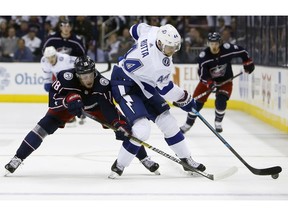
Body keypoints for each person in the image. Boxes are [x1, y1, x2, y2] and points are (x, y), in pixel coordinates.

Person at [4, 56, 160, 176]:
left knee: (126, 129)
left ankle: (144, 158)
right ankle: (18, 158)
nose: (88, 79)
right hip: (67, 105)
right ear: (77, 75)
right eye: (84, 76)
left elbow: (108, 108)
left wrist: (117, 124)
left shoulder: (103, 84)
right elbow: (52, 101)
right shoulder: (65, 78)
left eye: (90, 75)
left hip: (95, 107)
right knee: (42, 127)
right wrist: (67, 100)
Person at [108, 23, 206, 179]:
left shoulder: (153, 32)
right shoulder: (160, 65)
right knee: (142, 130)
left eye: (175, 47)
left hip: (144, 83)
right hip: (125, 83)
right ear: (160, 43)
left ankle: (186, 159)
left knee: (169, 123)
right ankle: (119, 165)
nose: (172, 51)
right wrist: (186, 100)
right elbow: (166, 90)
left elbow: (135, 29)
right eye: (169, 48)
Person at [180, 32, 255, 134]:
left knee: (221, 101)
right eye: (211, 43)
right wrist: (210, 83)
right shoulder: (204, 57)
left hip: (225, 81)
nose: (214, 46)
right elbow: (202, 75)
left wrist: (247, 62)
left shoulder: (227, 49)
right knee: (196, 104)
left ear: (220, 43)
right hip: (208, 81)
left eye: (216, 43)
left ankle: (218, 122)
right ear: (208, 43)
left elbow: (243, 52)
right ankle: (188, 124)